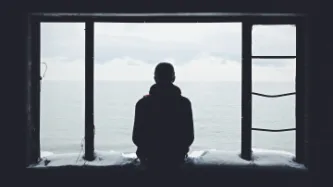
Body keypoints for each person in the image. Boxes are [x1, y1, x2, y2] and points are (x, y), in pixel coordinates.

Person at [132, 62, 194, 168]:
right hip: (176, 160)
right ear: (173, 78)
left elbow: (137, 137)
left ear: (155, 78)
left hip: (149, 161)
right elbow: (189, 137)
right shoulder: (184, 103)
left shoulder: (142, 104)